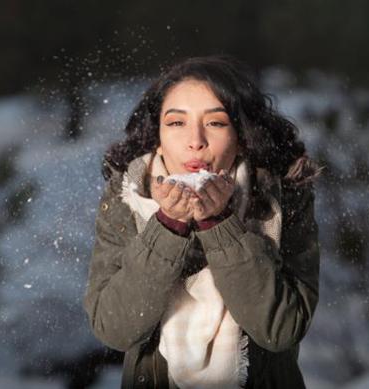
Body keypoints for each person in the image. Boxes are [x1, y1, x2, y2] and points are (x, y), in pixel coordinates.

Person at [83, 54, 324, 389]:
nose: (195, 140)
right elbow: (115, 328)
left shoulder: (281, 197)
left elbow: (280, 329)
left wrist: (221, 225)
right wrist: (168, 227)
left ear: (241, 134)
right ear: (157, 136)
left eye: (215, 123)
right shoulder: (128, 195)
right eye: (176, 123)